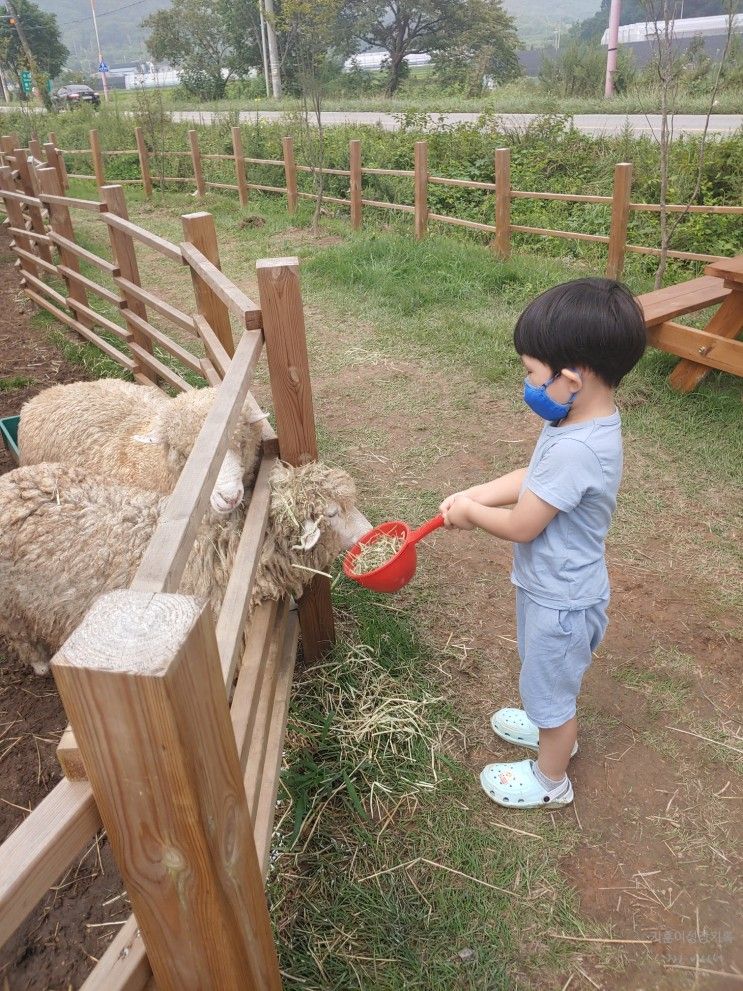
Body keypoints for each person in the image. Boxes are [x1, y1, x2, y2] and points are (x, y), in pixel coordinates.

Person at [439, 277, 646, 809]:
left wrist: (471, 512)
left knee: (550, 691)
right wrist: (477, 491)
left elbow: (522, 524)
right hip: (556, 587)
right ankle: (547, 726)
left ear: (571, 378)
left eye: (531, 373)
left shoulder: (578, 446)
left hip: (561, 600)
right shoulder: (580, 420)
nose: (526, 384)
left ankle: (551, 778)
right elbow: (533, 475)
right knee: (542, 675)